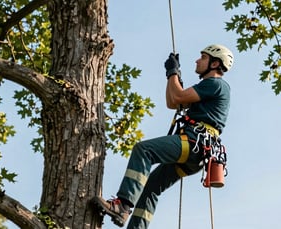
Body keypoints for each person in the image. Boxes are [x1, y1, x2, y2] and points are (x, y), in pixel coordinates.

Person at [92, 44, 234, 228]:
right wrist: (172, 75)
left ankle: (123, 205)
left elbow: (177, 98)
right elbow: (172, 102)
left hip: (193, 144)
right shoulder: (210, 88)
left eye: (203, 58)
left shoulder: (215, 84)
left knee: (144, 150)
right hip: (196, 155)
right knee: (151, 187)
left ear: (215, 64)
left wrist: (173, 72)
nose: (197, 60)